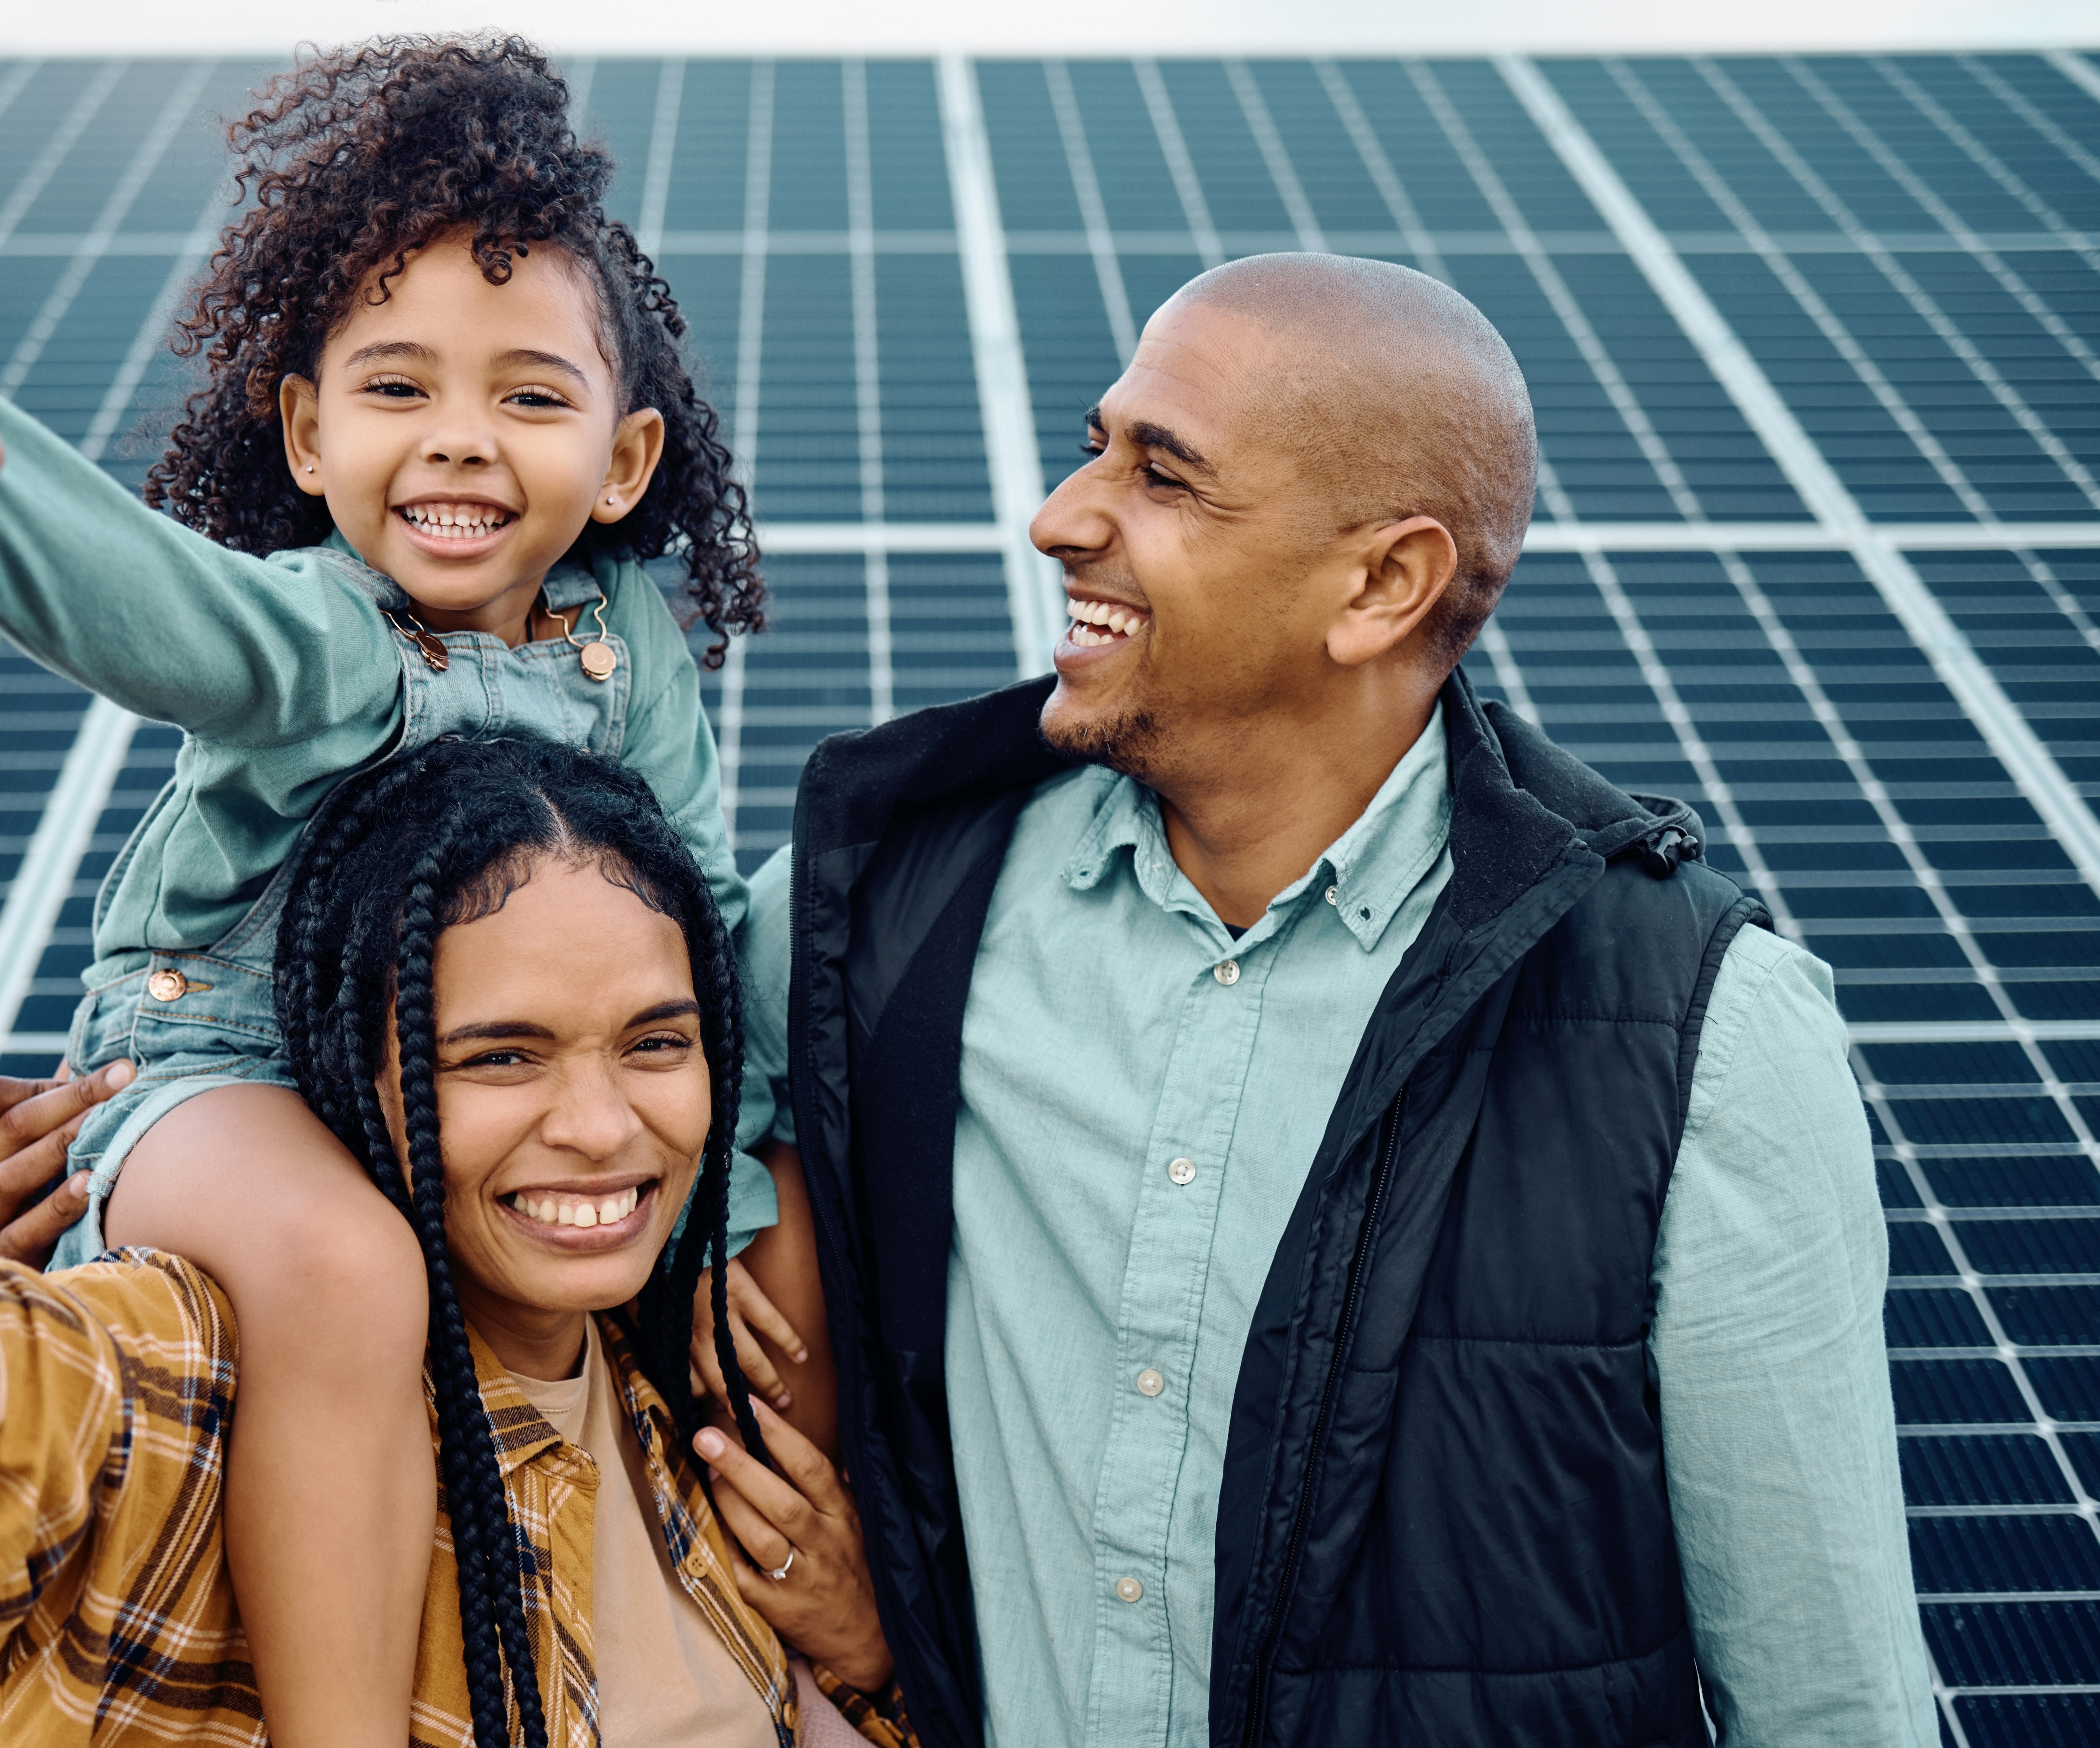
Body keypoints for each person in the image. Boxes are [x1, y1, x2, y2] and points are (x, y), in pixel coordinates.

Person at [0, 37, 823, 1747]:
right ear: (303, 426)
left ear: (627, 458)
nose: (460, 443)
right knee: (347, 1275)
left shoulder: (617, 636)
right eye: (397, 387)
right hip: (206, 1065)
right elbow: (153, 606)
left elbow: (709, 914)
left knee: (821, 934)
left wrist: (725, 1199)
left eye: (527, 395)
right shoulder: (323, 631)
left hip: (421, 1180)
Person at [728, 254, 1924, 1746]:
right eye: (1095, 441)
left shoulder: (1703, 1039)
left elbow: (1829, 1702)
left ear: (1380, 585)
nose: (1058, 517)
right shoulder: (876, 913)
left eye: (1161, 476)